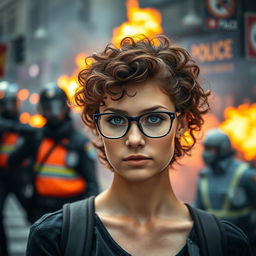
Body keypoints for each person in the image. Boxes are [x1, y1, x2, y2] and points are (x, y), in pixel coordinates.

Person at [26, 35, 252, 255]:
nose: (134, 139)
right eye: (115, 120)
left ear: (181, 124)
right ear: (97, 127)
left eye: (154, 119)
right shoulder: (55, 237)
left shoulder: (225, 243)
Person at [8, 84, 99, 223]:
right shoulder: (36, 138)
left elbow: (92, 184)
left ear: (66, 108)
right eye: (48, 108)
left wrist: (87, 215)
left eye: (57, 108)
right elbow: (12, 162)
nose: (53, 113)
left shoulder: (79, 142)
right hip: (41, 210)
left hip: (71, 210)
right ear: (41, 110)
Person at [194, 128, 256, 252]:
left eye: (211, 149)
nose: (206, 154)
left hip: (245, 242)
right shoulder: (204, 176)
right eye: (205, 148)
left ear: (223, 149)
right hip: (213, 243)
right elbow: (198, 208)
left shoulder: (245, 174)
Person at [0, 81, 36, 256]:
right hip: (1, 176)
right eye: (4, 103)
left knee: (33, 212)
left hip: (19, 176)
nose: (8, 106)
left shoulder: (23, 123)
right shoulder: (4, 125)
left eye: (11, 102)